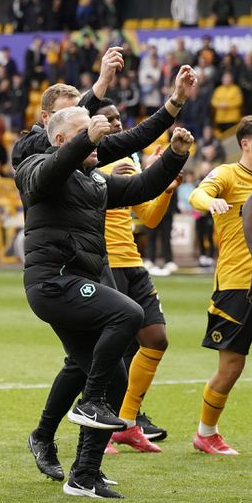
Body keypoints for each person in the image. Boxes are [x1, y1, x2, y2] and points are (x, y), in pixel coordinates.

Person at [22, 65, 197, 482]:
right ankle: (89, 403)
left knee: (117, 376)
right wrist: (89, 131)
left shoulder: (93, 179)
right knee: (129, 314)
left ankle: (85, 475)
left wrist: (174, 155)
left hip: (78, 280)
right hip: (53, 283)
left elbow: (140, 189)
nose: (102, 133)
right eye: (89, 127)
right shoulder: (32, 163)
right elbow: (51, 172)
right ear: (61, 135)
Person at [93, 99, 182, 453]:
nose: (116, 124)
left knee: (156, 338)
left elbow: (148, 217)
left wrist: (166, 186)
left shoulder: (127, 160)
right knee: (108, 349)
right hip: (102, 262)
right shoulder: (84, 160)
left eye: (119, 119)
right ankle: (100, 423)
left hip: (132, 262)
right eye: (108, 119)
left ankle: (127, 422)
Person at [188, 116, 252, 456]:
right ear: (245, 143)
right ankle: (206, 433)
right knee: (231, 367)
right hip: (237, 286)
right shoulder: (228, 174)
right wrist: (210, 202)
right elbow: (199, 192)